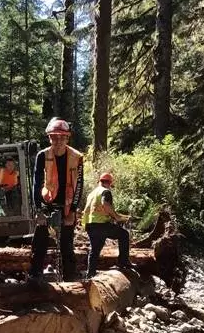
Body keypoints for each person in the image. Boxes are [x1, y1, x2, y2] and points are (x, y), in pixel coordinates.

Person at [29, 117, 83, 282]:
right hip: (47, 204)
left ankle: (70, 280)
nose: (58, 140)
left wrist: (72, 212)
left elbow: (79, 185)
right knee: (40, 243)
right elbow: (37, 184)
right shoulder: (42, 156)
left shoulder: (77, 157)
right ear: (49, 137)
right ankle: (35, 276)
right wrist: (39, 211)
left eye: (62, 137)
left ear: (67, 138)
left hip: (67, 206)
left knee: (67, 245)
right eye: (54, 137)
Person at [82, 172, 136, 279]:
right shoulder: (105, 191)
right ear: (109, 183)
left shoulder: (92, 193)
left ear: (99, 181)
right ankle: (123, 262)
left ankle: (90, 274)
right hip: (101, 224)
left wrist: (118, 216)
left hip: (90, 224)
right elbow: (105, 204)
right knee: (124, 234)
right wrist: (116, 217)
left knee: (95, 249)